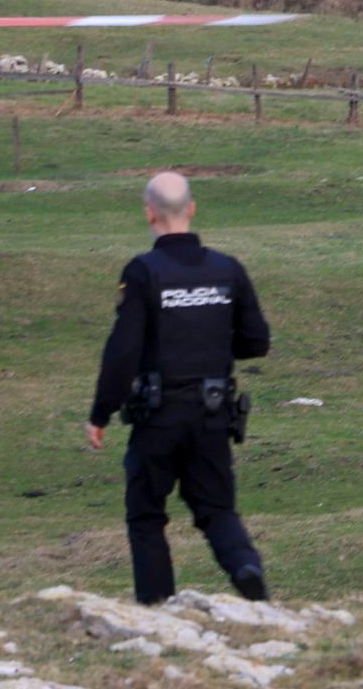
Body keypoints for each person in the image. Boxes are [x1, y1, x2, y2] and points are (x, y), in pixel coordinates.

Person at [86, 172, 272, 606]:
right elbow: (257, 342)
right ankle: (247, 568)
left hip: (158, 417)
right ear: (191, 208)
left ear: (149, 213)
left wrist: (100, 414)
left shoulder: (143, 272)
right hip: (212, 414)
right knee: (217, 509)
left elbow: (123, 352)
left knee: (147, 516)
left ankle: (157, 607)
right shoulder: (228, 269)